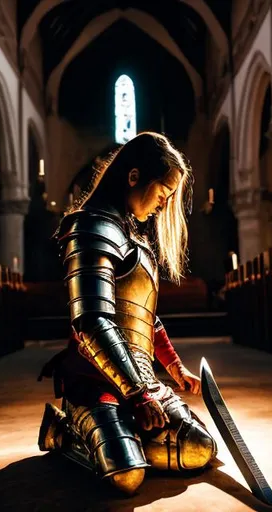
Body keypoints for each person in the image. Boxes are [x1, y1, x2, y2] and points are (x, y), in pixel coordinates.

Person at [37, 132, 217, 494]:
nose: (164, 205)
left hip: (141, 381)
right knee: (126, 476)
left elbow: (146, 319)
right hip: (96, 380)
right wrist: (136, 395)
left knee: (199, 448)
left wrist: (174, 367)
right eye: (163, 193)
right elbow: (91, 321)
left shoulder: (131, 236)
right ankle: (64, 429)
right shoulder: (90, 228)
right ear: (134, 177)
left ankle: (122, 436)